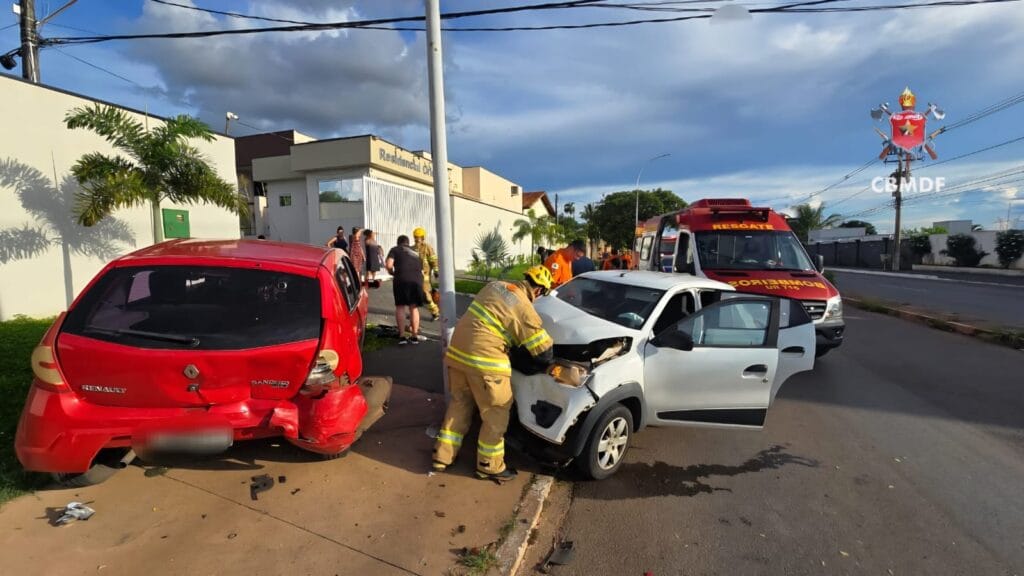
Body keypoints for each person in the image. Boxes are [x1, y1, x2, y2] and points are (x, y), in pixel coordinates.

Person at [432, 265, 554, 483]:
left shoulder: (495, 286)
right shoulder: (525, 307)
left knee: (460, 404)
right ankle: (489, 466)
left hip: (458, 354)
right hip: (485, 362)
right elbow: (544, 353)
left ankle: (442, 457)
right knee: (495, 413)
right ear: (539, 291)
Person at [385, 235, 426, 345]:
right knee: (414, 307)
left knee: (400, 306)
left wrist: (391, 272)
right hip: (416, 281)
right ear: (408, 242)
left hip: (401, 279)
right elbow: (422, 269)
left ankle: (402, 336)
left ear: (398, 243)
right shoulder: (416, 252)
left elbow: (389, 264)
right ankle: (414, 336)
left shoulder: (395, 250)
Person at [413, 227, 440, 320]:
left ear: (423, 237)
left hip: (425, 275)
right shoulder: (412, 248)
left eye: (419, 237)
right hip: (415, 275)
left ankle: (435, 312)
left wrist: (436, 270)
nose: (417, 239)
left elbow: (433, 259)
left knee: (426, 294)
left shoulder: (427, 247)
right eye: (416, 237)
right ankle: (414, 313)